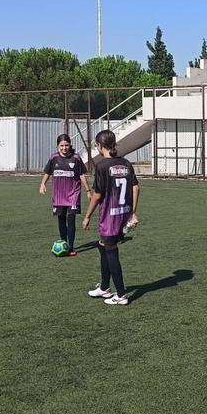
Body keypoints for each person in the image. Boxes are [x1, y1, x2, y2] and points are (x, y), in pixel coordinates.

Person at [82, 130, 139, 304]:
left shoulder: (101, 166)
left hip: (109, 217)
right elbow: (136, 187)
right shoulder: (126, 163)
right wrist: (132, 212)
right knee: (103, 246)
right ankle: (105, 287)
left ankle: (121, 295)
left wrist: (87, 216)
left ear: (99, 146)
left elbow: (97, 195)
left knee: (111, 250)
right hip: (123, 214)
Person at [39, 133, 90, 256]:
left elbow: (82, 175)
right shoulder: (54, 158)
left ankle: (71, 247)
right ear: (58, 146)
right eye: (61, 145)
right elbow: (47, 172)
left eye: (66, 145)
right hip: (58, 195)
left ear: (70, 145)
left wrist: (88, 190)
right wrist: (42, 184)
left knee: (71, 219)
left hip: (73, 194)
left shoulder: (76, 158)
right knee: (61, 219)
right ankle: (64, 244)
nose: (64, 148)